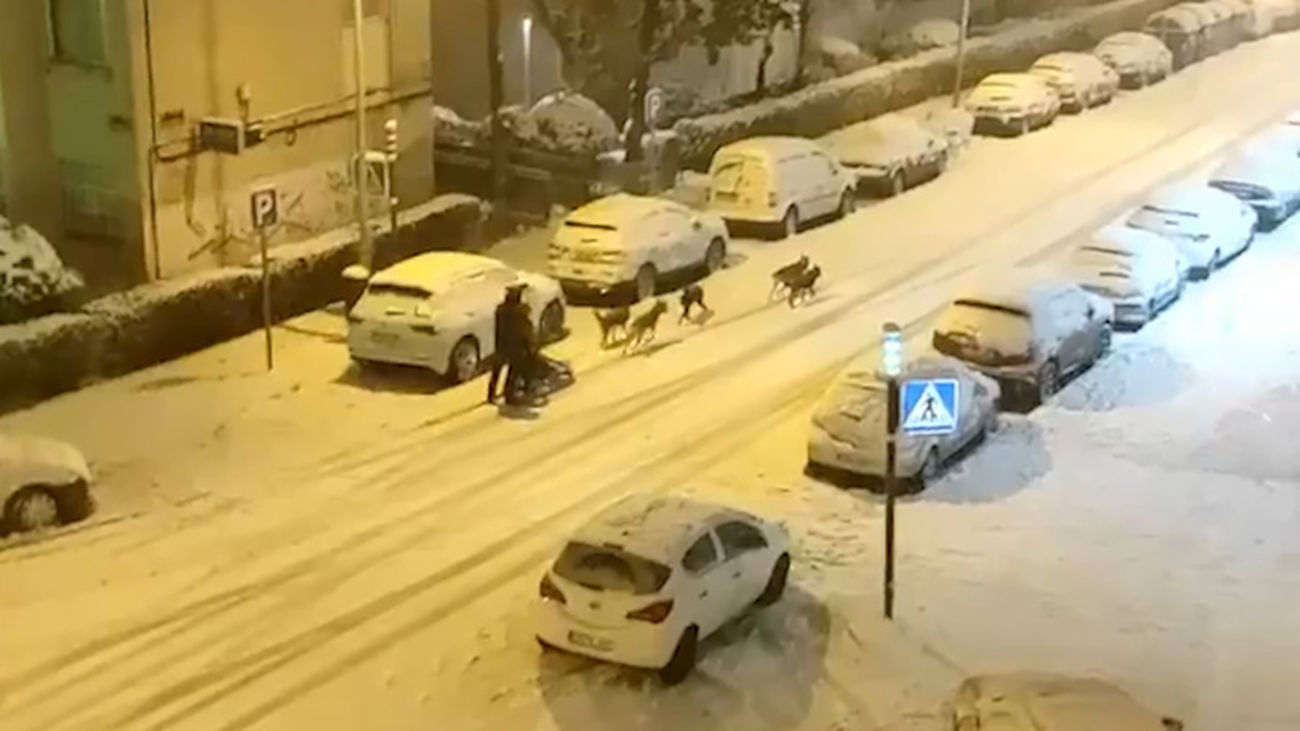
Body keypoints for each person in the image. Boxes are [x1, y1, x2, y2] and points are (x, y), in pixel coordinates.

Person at [487, 284, 526, 404]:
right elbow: (522, 329)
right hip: (514, 346)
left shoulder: (501, 309)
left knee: (496, 371)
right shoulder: (519, 311)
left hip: (500, 343)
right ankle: (508, 393)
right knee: (512, 371)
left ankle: (491, 394)